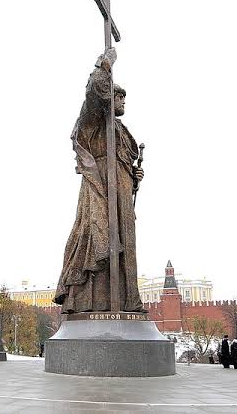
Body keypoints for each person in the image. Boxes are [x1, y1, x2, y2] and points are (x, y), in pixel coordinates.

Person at [54, 48, 145, 313]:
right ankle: (90, 301)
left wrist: (134, 177)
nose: (124, 103)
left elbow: (125, 162)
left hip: (122, 195)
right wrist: (103, 66)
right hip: (102, 189)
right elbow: (93, 93)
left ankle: (128, 301)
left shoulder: (121, 130)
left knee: (127, 245)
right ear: (111, 99)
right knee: (97, 237)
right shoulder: (96, 121)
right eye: (120, 98)